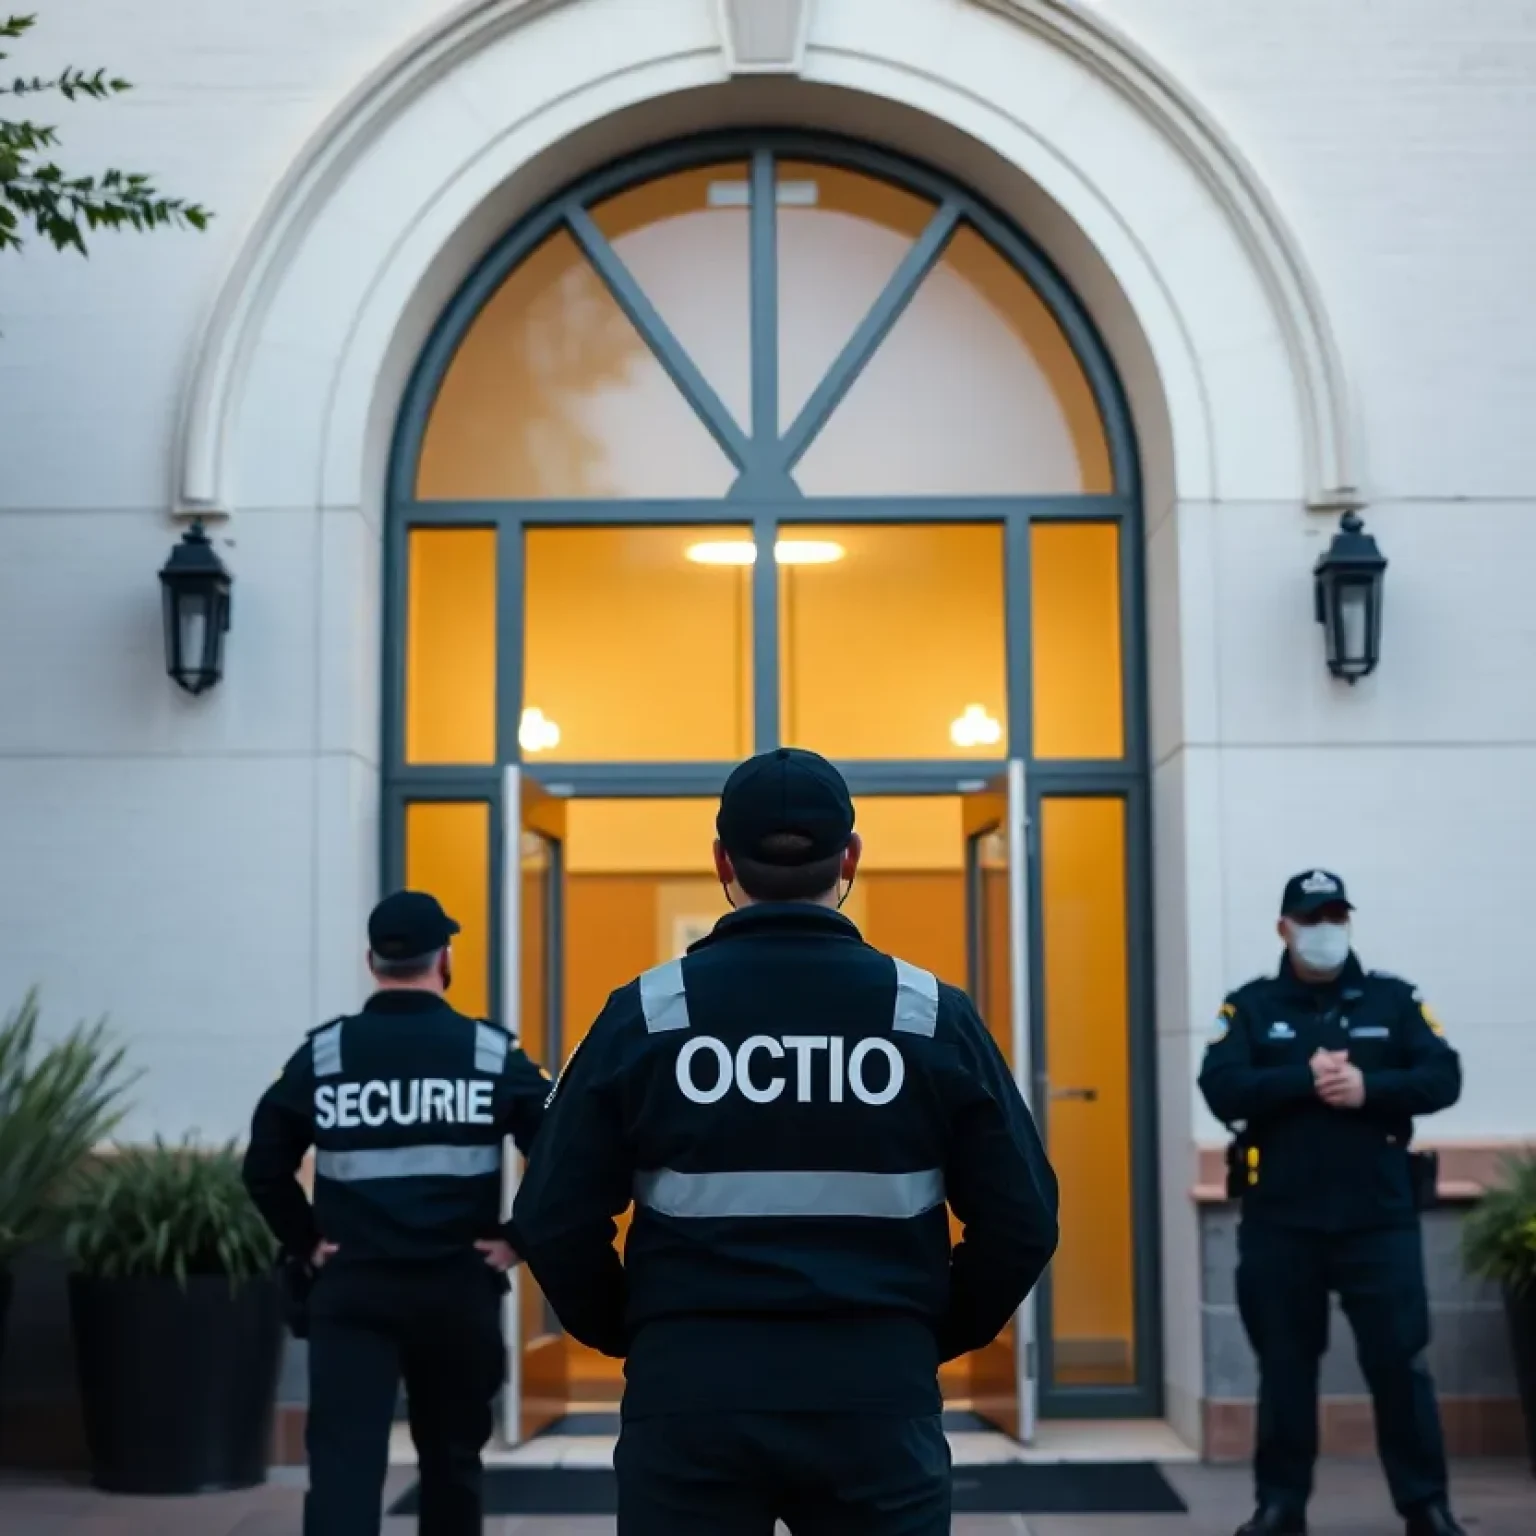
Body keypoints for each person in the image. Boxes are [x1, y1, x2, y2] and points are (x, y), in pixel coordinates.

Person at [513, 746, 1059, 1535]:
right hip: (876, 1390)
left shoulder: (650, 1012)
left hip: (691, 1393)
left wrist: (639, 1330)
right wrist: (923, 1335)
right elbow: (1024, 1220)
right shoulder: (928, 1013)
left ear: (722, 861)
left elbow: (552, 1215)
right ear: (851, 858)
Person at [242, 890, 551, 1536]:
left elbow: (263, 1165)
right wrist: (518, 1239)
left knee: (344, 1467)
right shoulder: (490, 1055)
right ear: (446, 959)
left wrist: (305, 1241)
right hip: (456, 1289)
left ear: (371, 960)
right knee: (453, 1464)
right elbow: (567, 1151)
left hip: (353, 1290)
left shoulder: (326, 1056)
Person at [1198, 870, 1464, 1536]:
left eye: (1336, 917)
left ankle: (1425, 1504)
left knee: (1401, 1365)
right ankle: (1280, 1505)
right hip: (1282, 1221)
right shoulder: (1251, 1007)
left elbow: (1443, 1076)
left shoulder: (1393, 1000)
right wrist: (1303, 1080)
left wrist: (1368, 1087)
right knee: (1285, 1368)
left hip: (1378, 1219)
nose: (1326, 930)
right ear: (1285, 928)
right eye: (1312, 918)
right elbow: (1222, 1086)